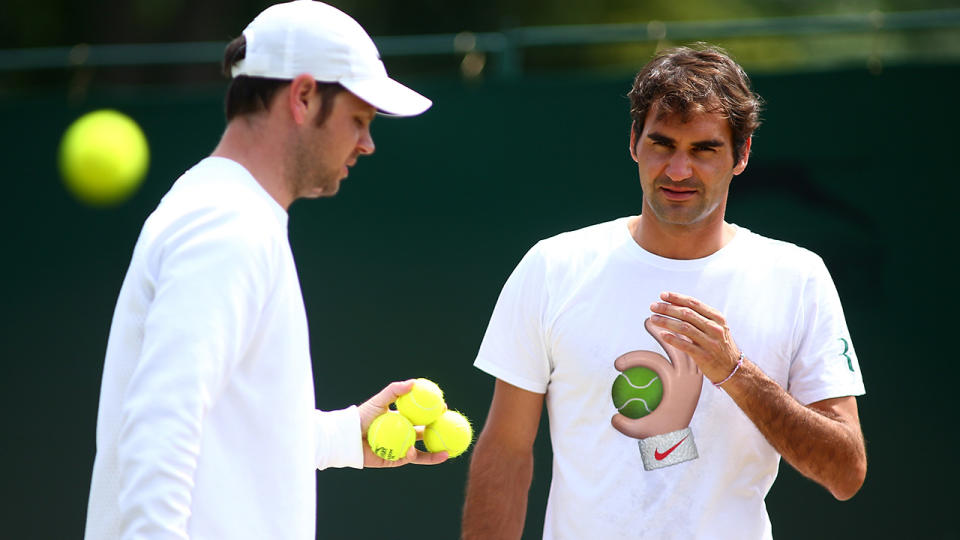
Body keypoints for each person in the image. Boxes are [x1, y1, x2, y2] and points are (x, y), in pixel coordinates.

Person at [462, 44, 867, 539]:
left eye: (704, 149)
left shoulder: (798, 277)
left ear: (741, 155)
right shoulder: (553, 266)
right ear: (634, 142)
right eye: (662, 144)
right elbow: (505, 449)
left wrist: (735, 372)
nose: (678, 171)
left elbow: (846, 472)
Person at [83, 2, 447, 538]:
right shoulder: (228, 225)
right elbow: (162, 423)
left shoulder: (225, 210)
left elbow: (227, 429)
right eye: (359, 119)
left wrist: (346, 435)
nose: (367, 143)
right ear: (302, 97)